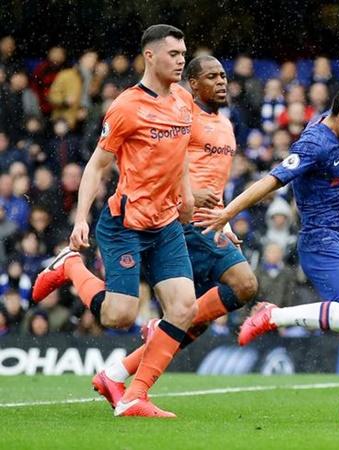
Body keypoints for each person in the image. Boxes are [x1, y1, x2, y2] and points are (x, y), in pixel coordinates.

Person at [195, 21, 339, 424]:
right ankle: (272, 315)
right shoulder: (315, 143)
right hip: (321, 242)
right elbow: (272, 180)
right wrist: (228, 212)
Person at [31, 24, 198, 418]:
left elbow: (181, 155)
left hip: (167, 224)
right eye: (173, 54)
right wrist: (81, 219)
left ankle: (135, 394)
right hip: (126, 223)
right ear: (150, 56)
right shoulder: (126, 106)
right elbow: (96, 166)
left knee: (184, 309)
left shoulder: (183, 102)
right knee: (118, 317)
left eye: (183, 53)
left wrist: (187, 195)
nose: (181, 61)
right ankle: (71, 266)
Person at [92, 55, 259, 409]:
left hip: (209, 224)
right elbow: (159, 165)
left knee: (194, 315)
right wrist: (185, 196)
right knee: (233, 289)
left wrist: (224, 220)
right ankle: (131, 382)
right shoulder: (181, 115)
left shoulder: (226, 126)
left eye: (223, 76)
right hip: (181, 222)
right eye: (211, 77)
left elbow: (215, 182)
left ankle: (119, 373)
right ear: (192, 85)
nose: (221, 82)